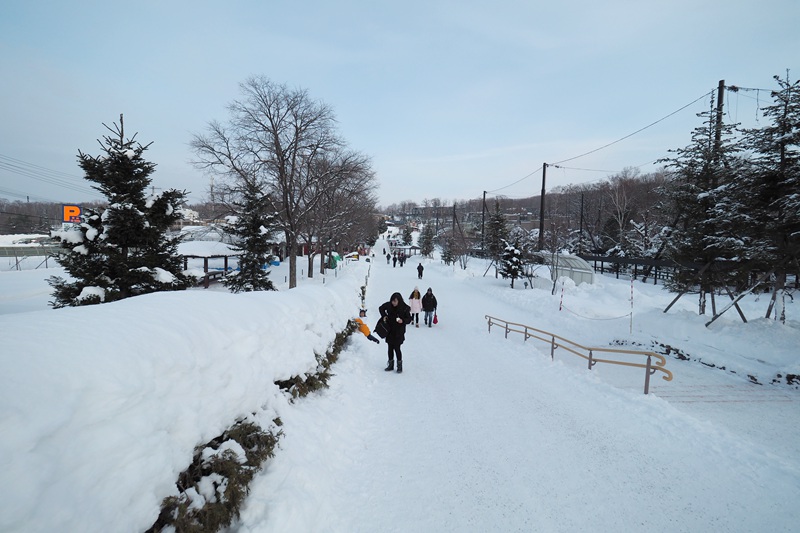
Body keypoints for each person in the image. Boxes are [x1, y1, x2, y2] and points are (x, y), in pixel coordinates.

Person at [378, 292, 412, 373]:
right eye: (392, 301)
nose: (393, 303)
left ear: (399, 301)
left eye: (395, 301)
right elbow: (381, 308)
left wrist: (402, 320)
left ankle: (399, 366)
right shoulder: (389, 305)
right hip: (390, 330)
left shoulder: (405, 308)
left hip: (399, 332)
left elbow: (409, 319)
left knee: (397, 348)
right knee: (390, 348)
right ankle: (390, 364)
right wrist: (384, 316)